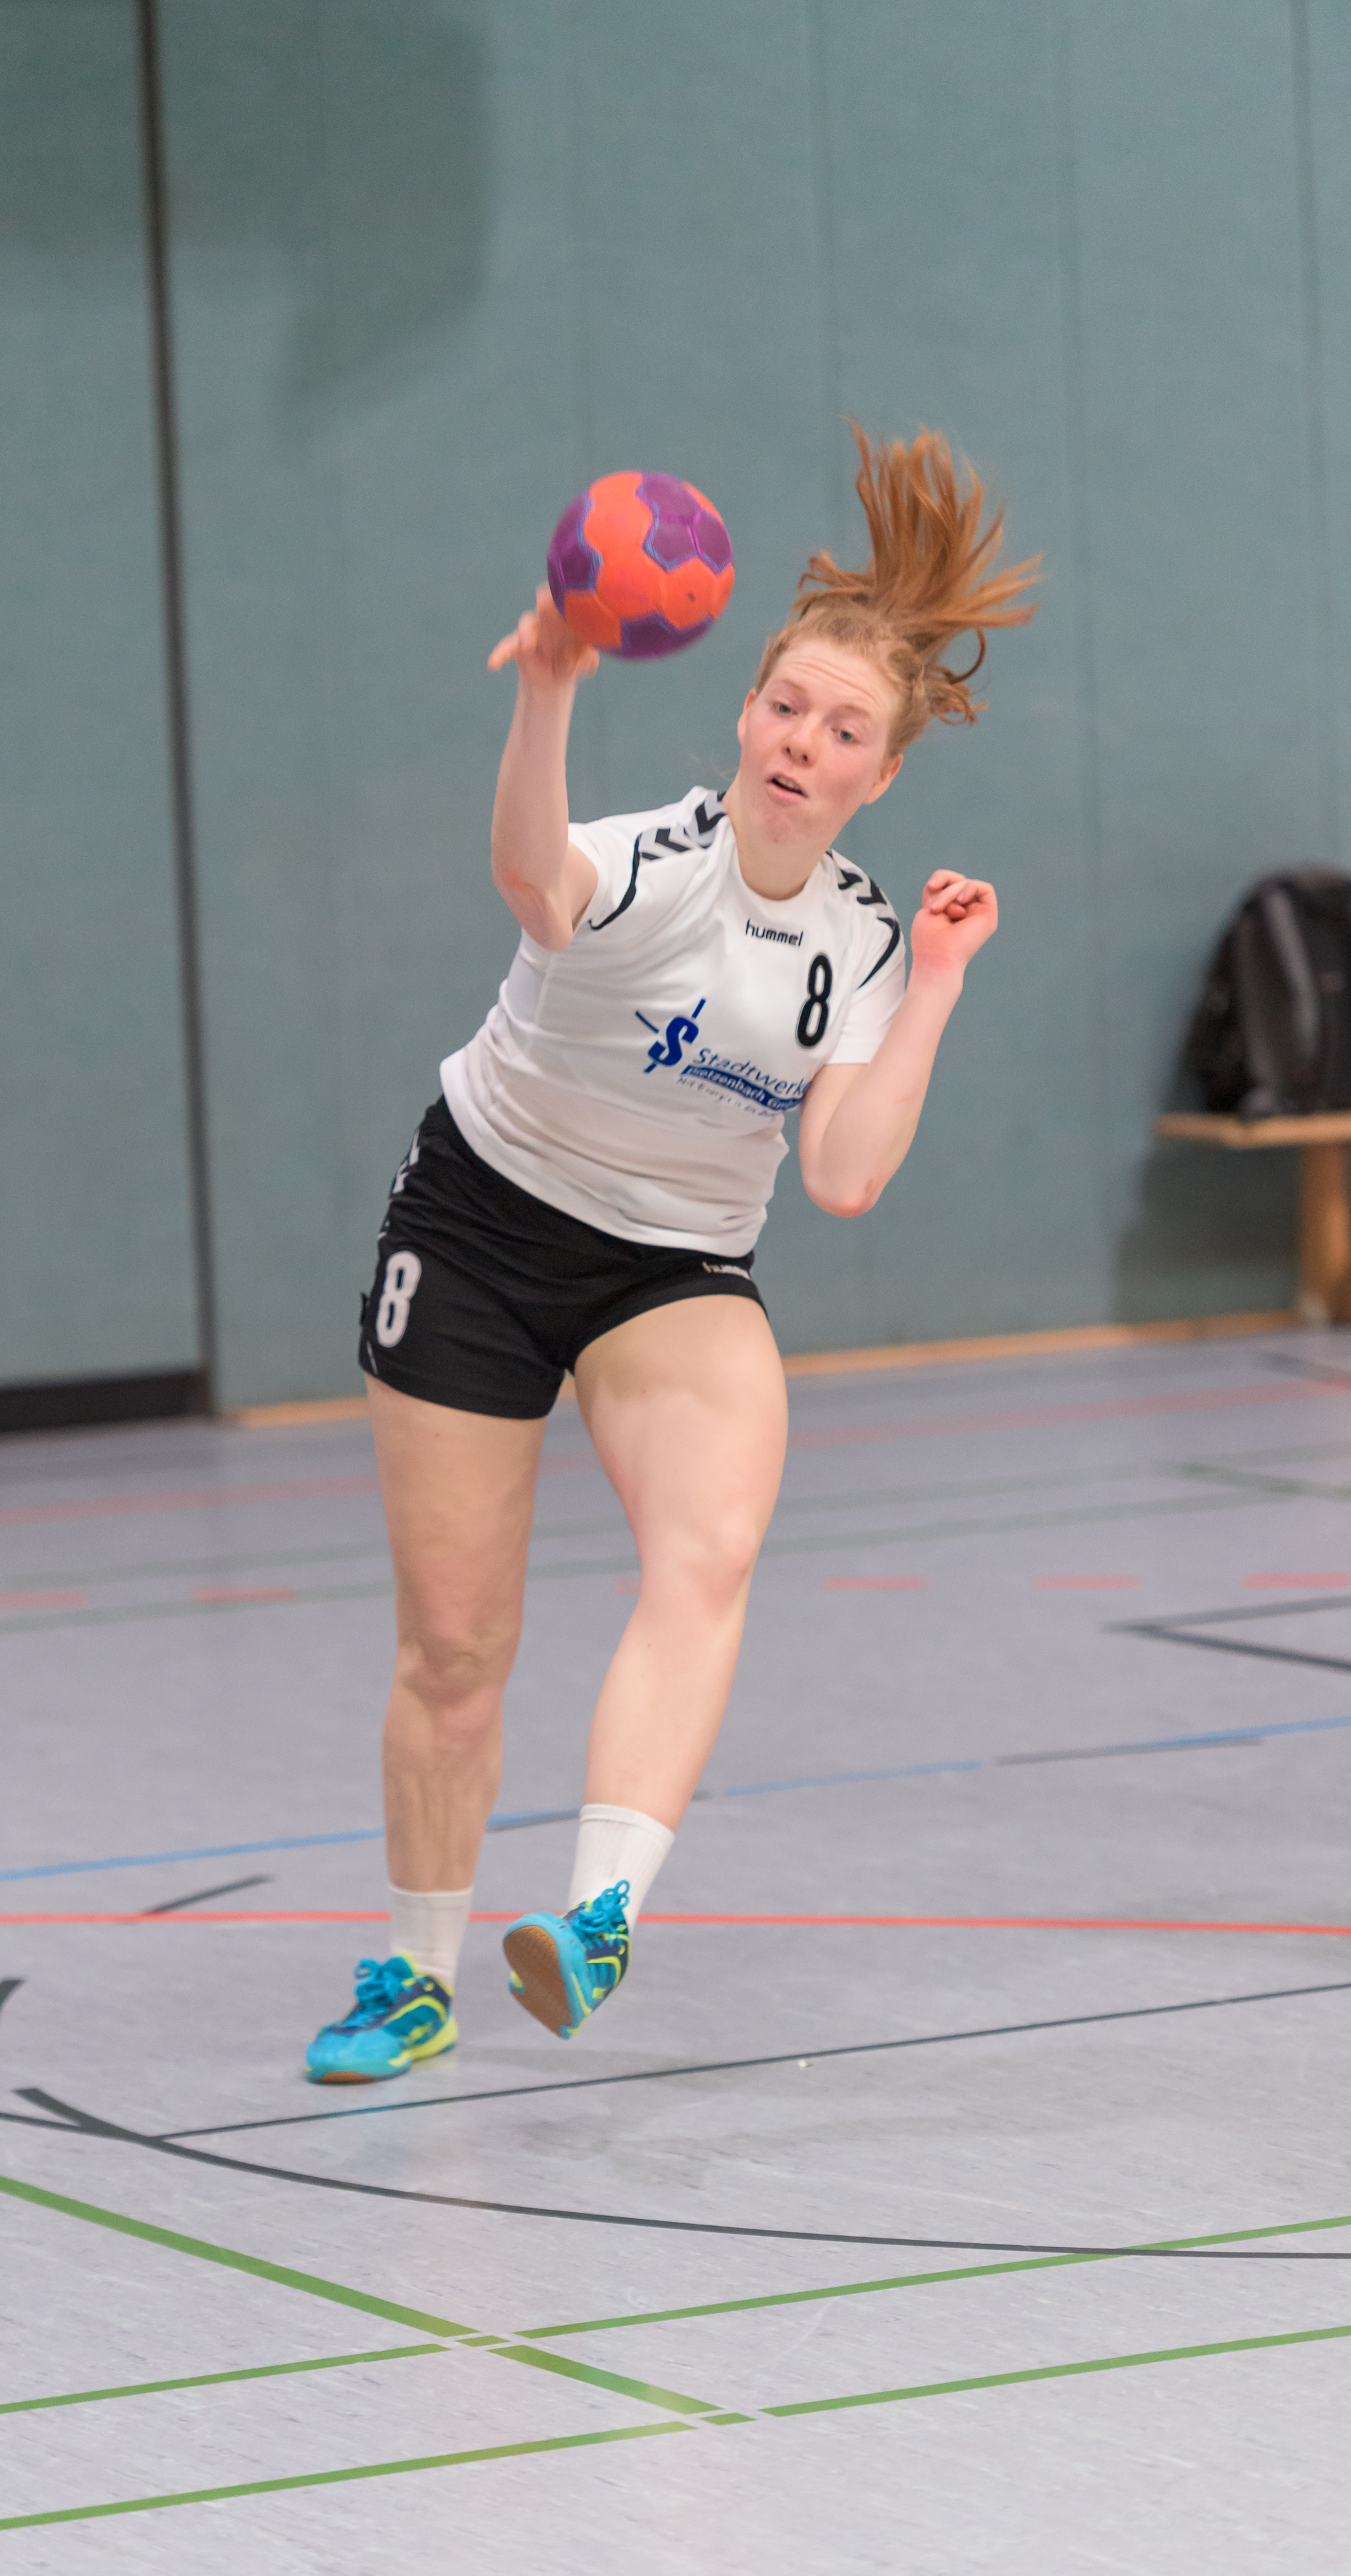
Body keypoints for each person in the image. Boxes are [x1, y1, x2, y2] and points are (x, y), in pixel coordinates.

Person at [306, 427, 1039, 2083]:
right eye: (785, 706)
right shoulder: (650, 863)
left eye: (842, 730)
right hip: (479, 1226)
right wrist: (546, 688)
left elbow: (841, 1173)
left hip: (669, 1268)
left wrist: (933, 983)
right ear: (744, 708)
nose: (802, 741)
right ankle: (413, 1971)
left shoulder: (860, 940)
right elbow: (528, 874)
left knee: (707, 1552)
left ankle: (599, 1914)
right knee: (453, 1649)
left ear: (877, 775)